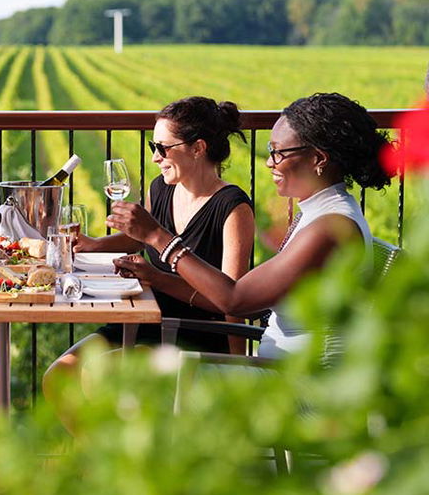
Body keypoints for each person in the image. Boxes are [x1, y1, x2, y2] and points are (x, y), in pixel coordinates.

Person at [109, 92, 391, 357]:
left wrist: (159, 237)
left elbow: (235, 299)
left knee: (120, 372)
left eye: (279, 153)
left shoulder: (329, 226)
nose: (269, 162)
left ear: (318, 159)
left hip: (297, 386)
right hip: (275, 367)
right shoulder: (320, 212)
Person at [43, 96, 255, 414]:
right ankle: (98, 460)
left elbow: (229, 301)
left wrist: (237, 365)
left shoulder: (233, 208)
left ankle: (118, 459)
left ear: (198, 148)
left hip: (194, 333)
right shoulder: (163, 188)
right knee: (59, 376)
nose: (155, 157)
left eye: (163, 148)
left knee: (97, 375)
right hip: (144, 319)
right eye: (152, 146)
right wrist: (94, 244)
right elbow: (140, 240)